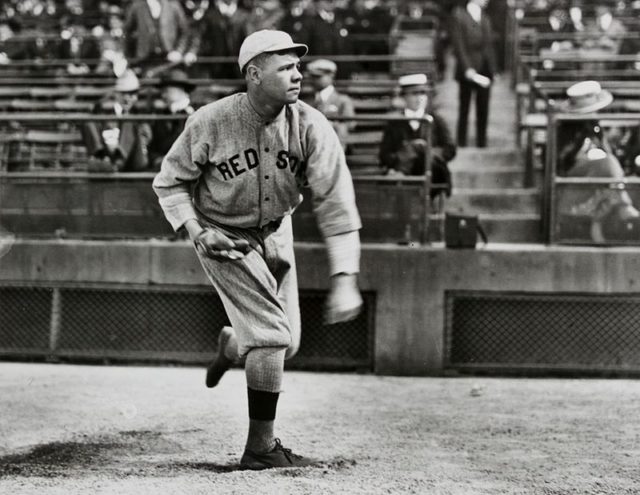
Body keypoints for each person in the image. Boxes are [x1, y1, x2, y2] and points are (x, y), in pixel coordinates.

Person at [152, 29, 363, 469]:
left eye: (298, 66)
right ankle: (260, 449)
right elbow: (169, 183)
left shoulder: (310, 125)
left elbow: (338, 206)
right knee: (270, 336)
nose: (298, 74)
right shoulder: (210, 120)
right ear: (253, 73)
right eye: (285, 67)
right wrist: (195, 230)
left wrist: (345, 280)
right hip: (223, 234)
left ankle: (233, 344)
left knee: (288, 346)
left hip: (276, 230)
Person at [555, 80, 639, 243]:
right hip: (574, 171)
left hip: (598, 172)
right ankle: (624, 207)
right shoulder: (566, 128)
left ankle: (599, 224)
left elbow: (607, 151)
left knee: (610, 167)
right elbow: (563, 160)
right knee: (608, 164)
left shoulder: (595, 126)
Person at [379, 73, 456, 199]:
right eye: (414, 94)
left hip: (432, 175)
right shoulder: (394, 124)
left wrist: (427, 151)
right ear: (404, 97)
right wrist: (404, 153)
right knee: (412, 148)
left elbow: (450, 149)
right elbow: (384, 155)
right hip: (406, 183)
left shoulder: (436, 120)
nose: (420, 98)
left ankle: (402, 171)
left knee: (418, 149)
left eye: (423, 93)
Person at [82, 69, 152, 172]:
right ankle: (101, 158)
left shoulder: (139, 112)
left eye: (133, 94)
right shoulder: (104, 110)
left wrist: (119, 145)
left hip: (134, 159)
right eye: (124, 94)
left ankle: (116, 161)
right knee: (89, 122)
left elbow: (146, 137)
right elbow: (97, 130)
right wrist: (109, 143)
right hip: (108, 154)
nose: (128, 98)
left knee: (129, 121)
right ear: (116, 94)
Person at [449, 0, 497, 148]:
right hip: (467, 69)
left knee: (483, 108)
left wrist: (493, 70)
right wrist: (467, 68)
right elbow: (459, 45)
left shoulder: (485, 17)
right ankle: (461, 142)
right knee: (464, 107)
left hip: (484, 68)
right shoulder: (459, 15)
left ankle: (481, 142)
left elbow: (489, 46)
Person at [123, 0, 195, 76]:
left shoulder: (173, 5)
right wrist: (128, 57)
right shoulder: (137, 6)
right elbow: (127, 33)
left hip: (169, 60)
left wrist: (178, 51)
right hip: (145, 61)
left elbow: (185, 31)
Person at [148, 68, 195, 170]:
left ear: (181, 89)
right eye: (162, 91)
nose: (163, 95)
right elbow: (153, 145)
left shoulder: (194, 114)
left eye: (167, 91)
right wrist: (156, 159)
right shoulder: (161, 114)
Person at [305, 58, 355, 151]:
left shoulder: (343, 100)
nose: (314, 81)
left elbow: (350, 124)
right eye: (312, 77)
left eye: (318, 77)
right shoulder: (307, 101)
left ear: (331, 76)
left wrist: (329, 125)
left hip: (334, 146)